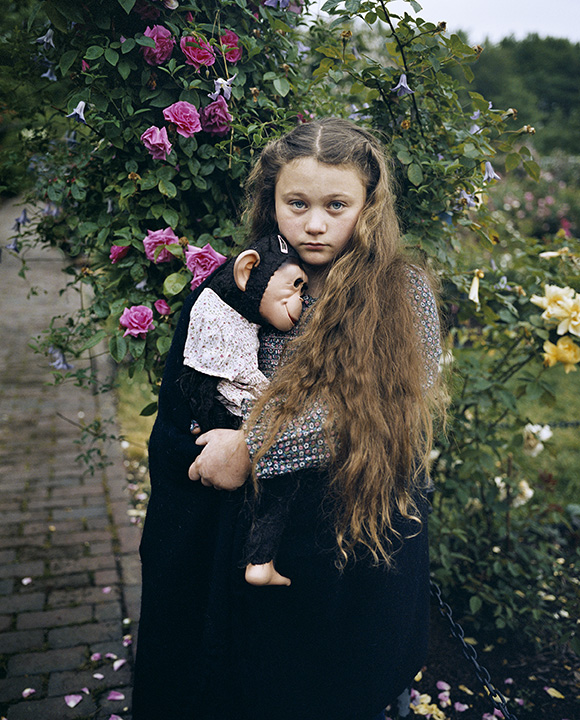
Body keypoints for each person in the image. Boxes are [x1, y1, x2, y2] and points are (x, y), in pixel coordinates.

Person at [132, 117, 443, 720]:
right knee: (233, 685)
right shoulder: (238, 283)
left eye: (337, 205)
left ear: (369, 206)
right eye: (297, 203)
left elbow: (389, 410)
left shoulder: (400, 292)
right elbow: (186, 394)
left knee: (324, 690)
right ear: (271, 201)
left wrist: (253, 446)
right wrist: (202, 446)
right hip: (233, 538)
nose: (315, 223)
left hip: (341, 542)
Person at [179, 233, 307, 586]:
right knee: (279, 484)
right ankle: (261, 561)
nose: (299, 300)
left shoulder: (221, 307)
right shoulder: (218, 314)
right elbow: (221, 374)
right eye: (295, 286)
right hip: (238, 414)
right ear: (248, 270)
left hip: (224, 422)